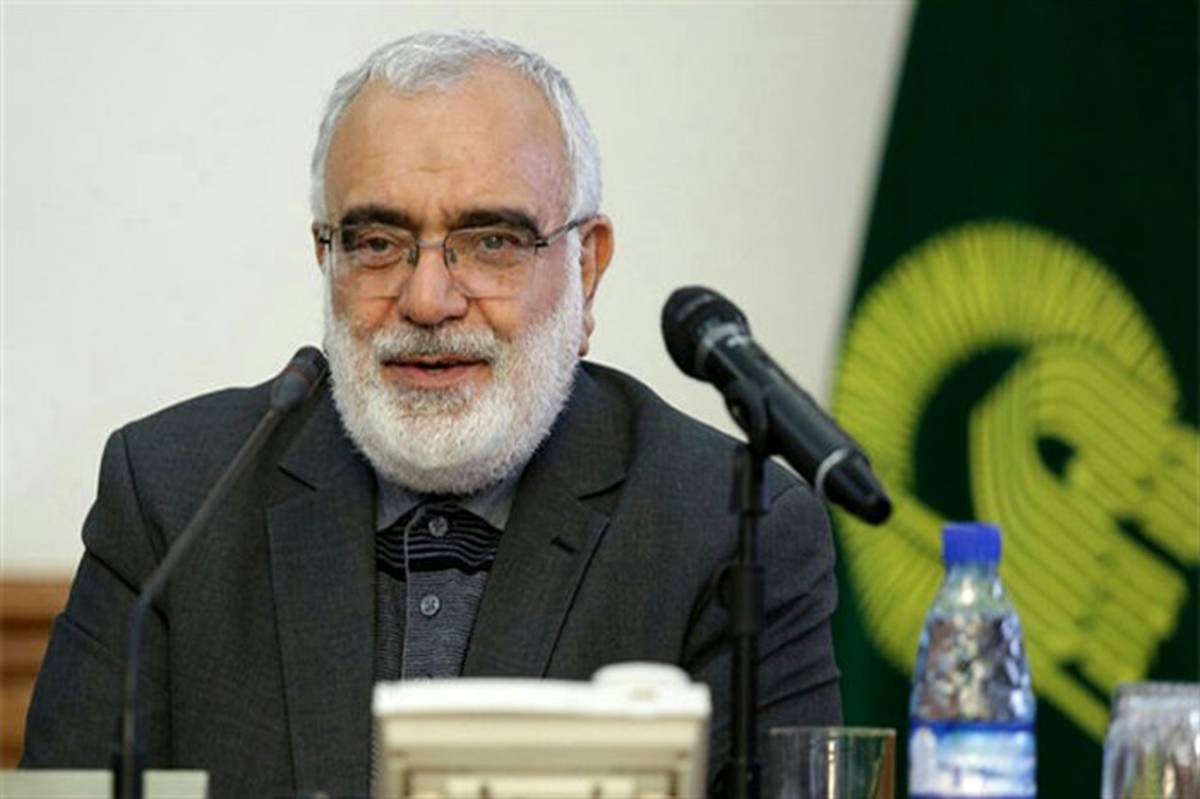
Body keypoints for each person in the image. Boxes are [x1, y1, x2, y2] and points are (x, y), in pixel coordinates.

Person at [22, 30, 841, 797]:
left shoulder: (726, 528)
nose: (427, 299)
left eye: (492, 241)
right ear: (327, 257)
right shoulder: (175, 499)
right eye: (378, 242)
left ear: (586, 268)